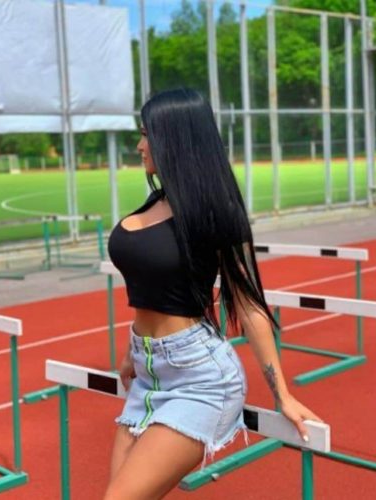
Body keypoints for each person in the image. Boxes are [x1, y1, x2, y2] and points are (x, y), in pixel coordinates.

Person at [104, 88, 322, 500]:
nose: (139, 145)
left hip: (199, 378)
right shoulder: (156, 200)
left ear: (175, 137)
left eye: (147, 134)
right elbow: (151, 286)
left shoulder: (216, 210)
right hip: (148, 374)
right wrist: (134, 351)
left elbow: (249, 305)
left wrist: (282, 394)